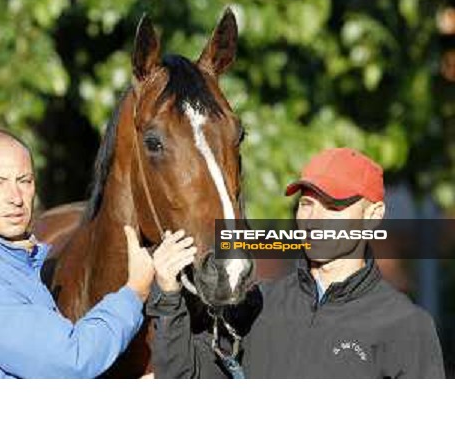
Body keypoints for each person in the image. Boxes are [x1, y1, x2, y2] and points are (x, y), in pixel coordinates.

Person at [148, 147, 445, 378]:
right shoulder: (256, 304)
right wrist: (168, 295)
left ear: (372, 216)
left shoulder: (406, 325)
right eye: (307, 204)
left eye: (333, 206)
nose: (314, 220)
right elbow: (184, 379)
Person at [0, 129, 196, 378]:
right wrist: (135, 290)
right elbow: (71, 360)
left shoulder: (13, 264)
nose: (16, 197)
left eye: (24, 180)